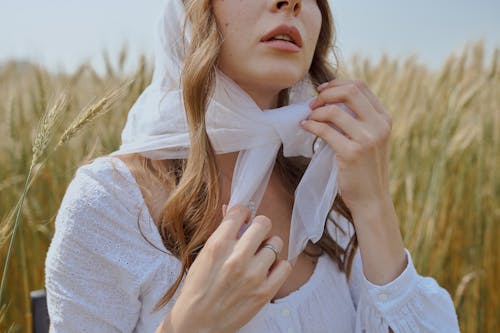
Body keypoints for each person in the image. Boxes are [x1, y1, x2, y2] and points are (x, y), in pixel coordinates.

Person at [45, 0, 460, 332]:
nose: (291, 3)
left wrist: (373, 205)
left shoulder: (320, 186)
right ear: (191, 10)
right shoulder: (109, 202)